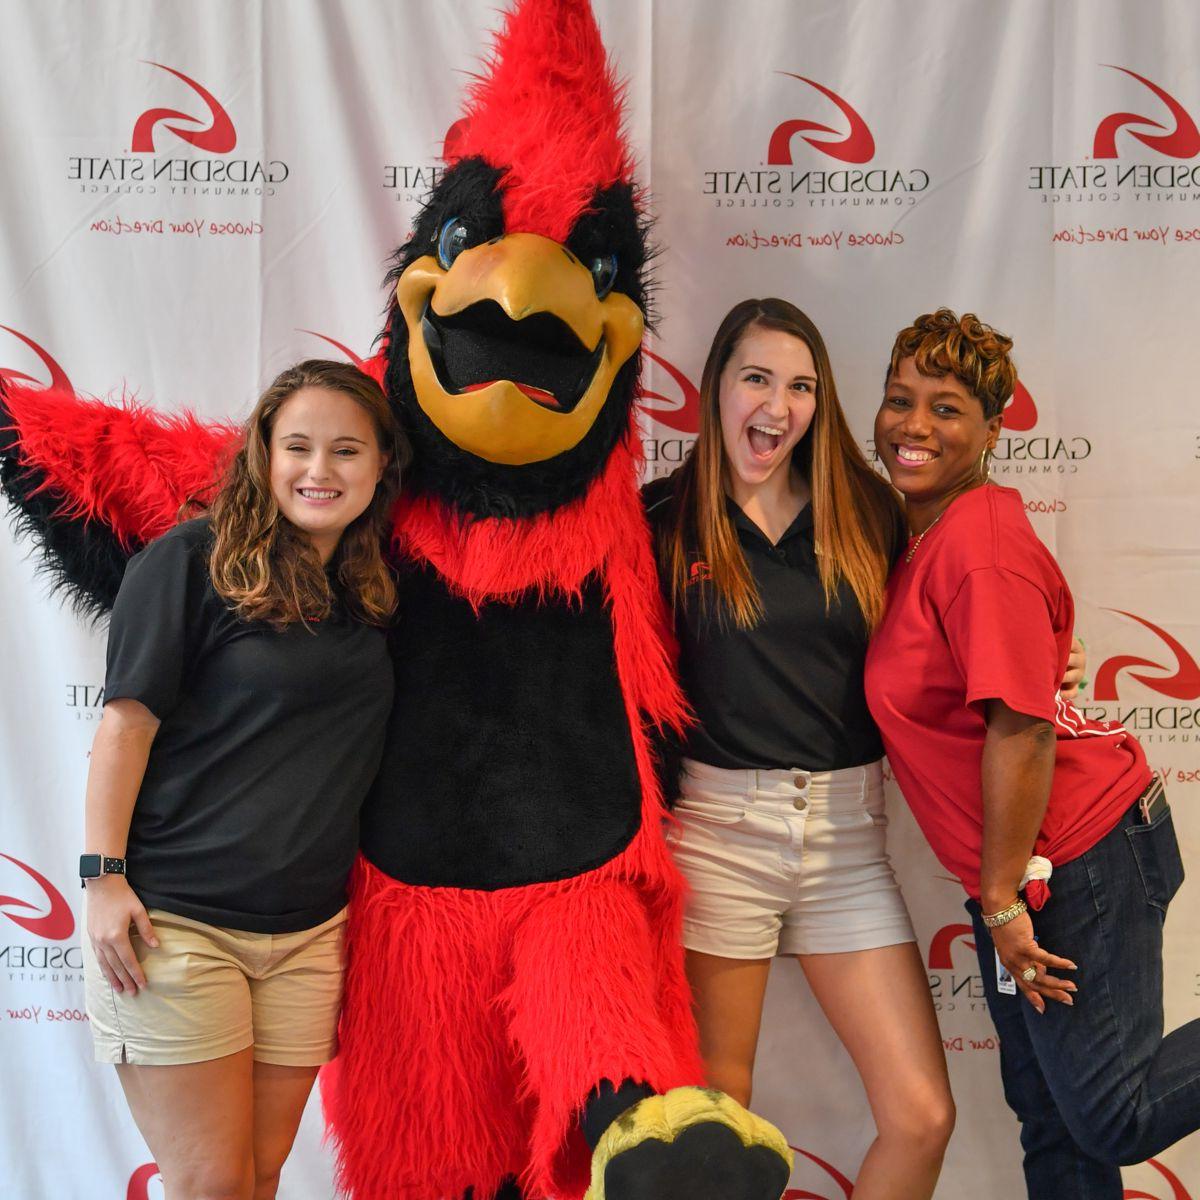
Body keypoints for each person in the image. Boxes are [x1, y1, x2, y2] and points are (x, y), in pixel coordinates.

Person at [865, 309, 1199, 1200]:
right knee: (1049, 1113)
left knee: (1111, 1115)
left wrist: (1006, 901)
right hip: (1019, 869)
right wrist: (1000, 894)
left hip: (1074, 861)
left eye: (946, 409)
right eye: (900, 401)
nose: (914, 427)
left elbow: (1022, 727)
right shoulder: (927, 533)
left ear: (991, 428)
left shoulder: (975, 543)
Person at [644, 297, 957, 1199]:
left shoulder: (869, 510)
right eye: (757, 379)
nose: (776, 407)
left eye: (801, 387)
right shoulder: (662, 519)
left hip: (849, 844)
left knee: (921, 1115)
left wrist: (1048, 648)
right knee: (714, 1117)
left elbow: (956, 625)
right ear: (717, 390)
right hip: (716, 837)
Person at [81, 360, 407, 1200]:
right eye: (296, 446)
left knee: (256, 1181)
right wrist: (102, 878)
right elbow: (124, 725)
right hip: (180, 930)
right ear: (262, 455)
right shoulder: (192, 562)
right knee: (212, 1186)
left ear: (380, 468)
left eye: (345, 451)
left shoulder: (368, 591)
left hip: (306, 939)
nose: (319, 471)